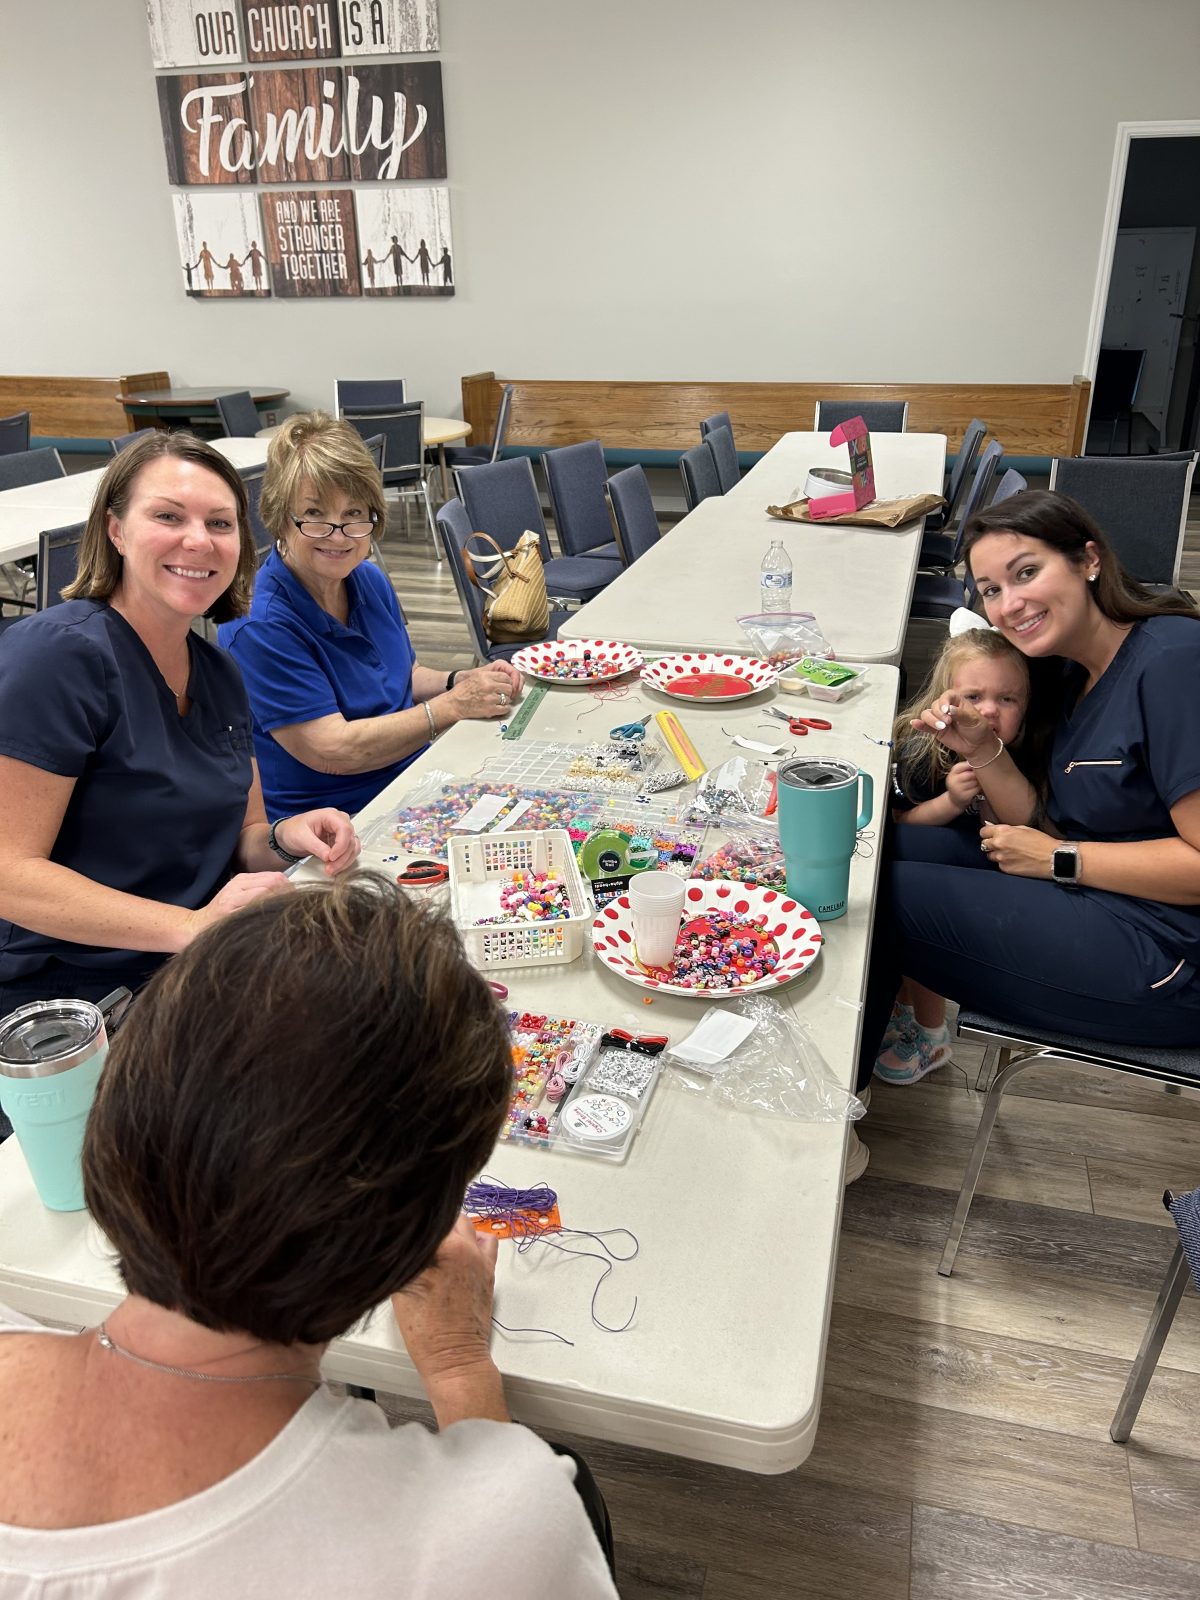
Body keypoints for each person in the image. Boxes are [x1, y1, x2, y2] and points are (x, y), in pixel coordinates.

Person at [0, 879, 619, 1596]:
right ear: (412, 1248)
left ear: (113, 1111)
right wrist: (458, 1374)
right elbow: (497, 1519)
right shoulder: (495, 1526)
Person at [856, 488, 1200, 1097]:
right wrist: (979, 746)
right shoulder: (1069, 667)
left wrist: (1062, 859)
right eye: (990, 590)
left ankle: (840, 1112)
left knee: (880, 895)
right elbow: (1043, 818)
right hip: (1093, 892)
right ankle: (885, 1046)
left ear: (1089, 559)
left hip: (1167, 954)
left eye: (1027, 573)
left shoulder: (1172, 662)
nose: (1009, 604)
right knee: (870, 853)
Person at [0, 432, 360, 1011]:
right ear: (116, 530)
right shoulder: (57, 657)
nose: (198, 540)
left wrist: (284, 838)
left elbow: (242, 838)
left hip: (196, 962)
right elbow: (8, 874)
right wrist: (190, 927)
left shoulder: (218, 671)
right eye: (168, 516)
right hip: (72, 995)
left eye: (220, 524)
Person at [218, 413, 523, 819]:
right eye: (314, 515)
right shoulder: (258, 623)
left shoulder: (368, 579)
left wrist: (455, 681)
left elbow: (401, 675)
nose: (339, 535)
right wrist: (452, 706)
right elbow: (334, 750)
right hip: (335, 821)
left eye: (354, 514)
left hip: (412, 781)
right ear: (279, 518)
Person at [875, 626, 1033, 1084]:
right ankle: (906, 1013)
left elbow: (1022, 831)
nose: (988, 711)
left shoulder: (1026, 756)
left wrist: (990, 783)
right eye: (973, 696)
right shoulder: (923, 750)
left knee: (918, 926)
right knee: (890, 888)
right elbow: (899, 823)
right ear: (945, 699)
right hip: (947, 853)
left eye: (1008, 699)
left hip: (1003, 885)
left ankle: (932, 1034)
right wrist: (950, 802)